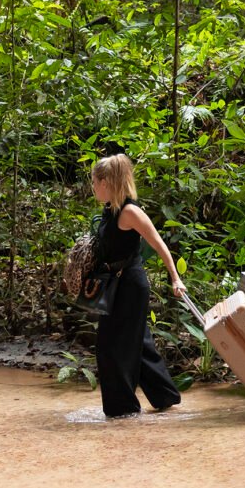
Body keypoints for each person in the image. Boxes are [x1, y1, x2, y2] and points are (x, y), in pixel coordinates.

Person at [90, 154, 186, 418]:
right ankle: (165, 397)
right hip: (116, 285)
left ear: (107, 182)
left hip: (130, 287)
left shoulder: (130, 212)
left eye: (95, 182)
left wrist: (175, 279)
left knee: (111, 348)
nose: (93, 188)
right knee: (137, 342)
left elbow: (159, 244)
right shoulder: (110, 209)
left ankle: (123, 412)